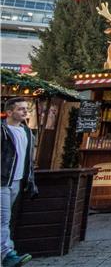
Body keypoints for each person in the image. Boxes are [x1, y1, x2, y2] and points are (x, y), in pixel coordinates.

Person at [1, 97, 38, 267]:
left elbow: (28, 159)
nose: (25, 112)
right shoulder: (2, 131)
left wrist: (30, 181)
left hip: (17, 181)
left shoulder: (27, 132)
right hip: (2, 181)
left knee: (5, 219)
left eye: (26, 109)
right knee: (3, 219)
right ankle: (8, 254)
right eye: (20, 109)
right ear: (9, 112)